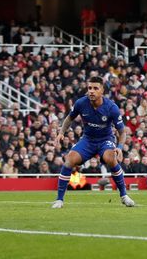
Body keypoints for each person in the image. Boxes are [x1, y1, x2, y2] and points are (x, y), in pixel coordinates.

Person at [51, 76, 135, 208]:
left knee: (111, 158)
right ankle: (59, 200)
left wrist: (119, 146)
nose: (91, 91)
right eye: (89, 88)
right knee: (69, 160)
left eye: (95, 88)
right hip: (88, 140)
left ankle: (124, 196)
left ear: (102, 90)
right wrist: (61, 132)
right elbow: (69, 118)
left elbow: (122, 131)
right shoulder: (80, 103)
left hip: (105, 140)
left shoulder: (111, 107)